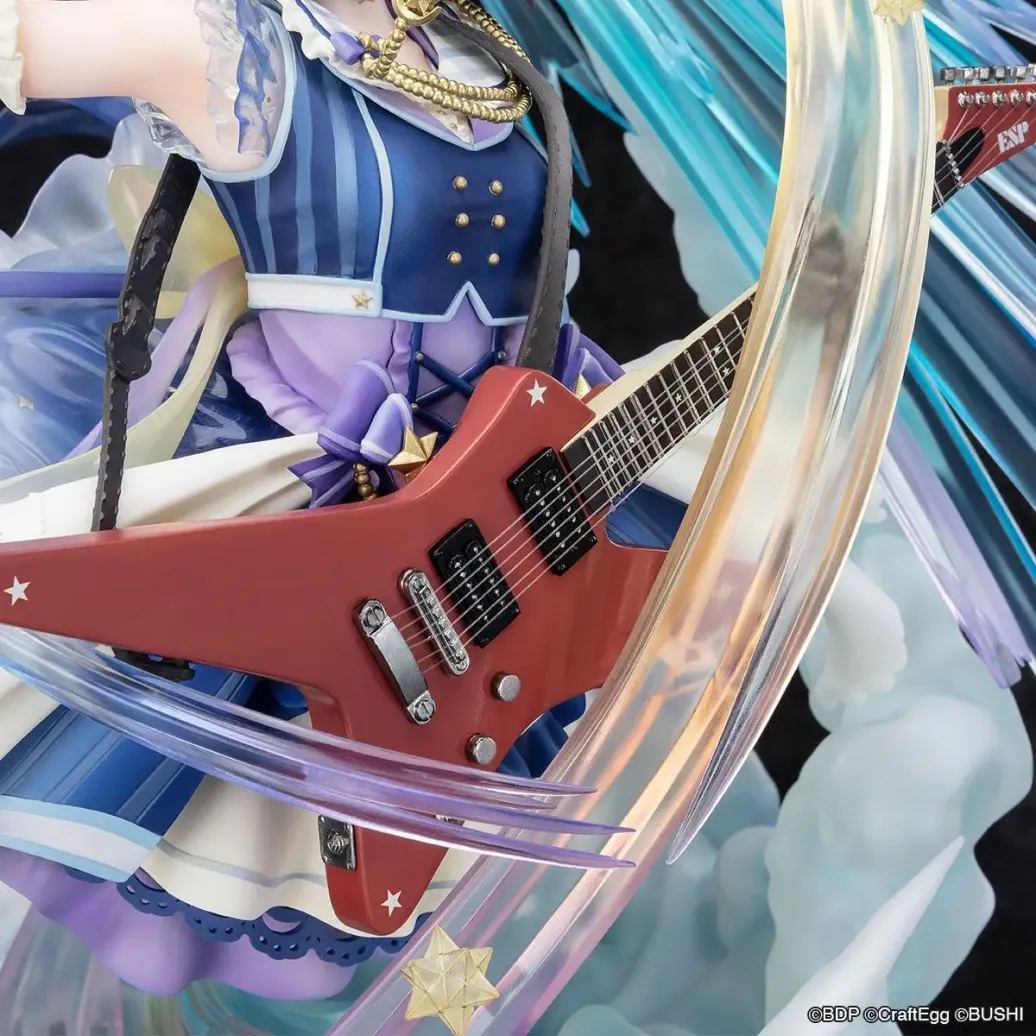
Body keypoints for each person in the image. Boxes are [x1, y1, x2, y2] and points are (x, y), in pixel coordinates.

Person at [0, 0, 1032, 1032]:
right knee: (253, 885)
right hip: (331, 535)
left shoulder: (486, 55)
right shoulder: (238, 53)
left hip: (499, 547)